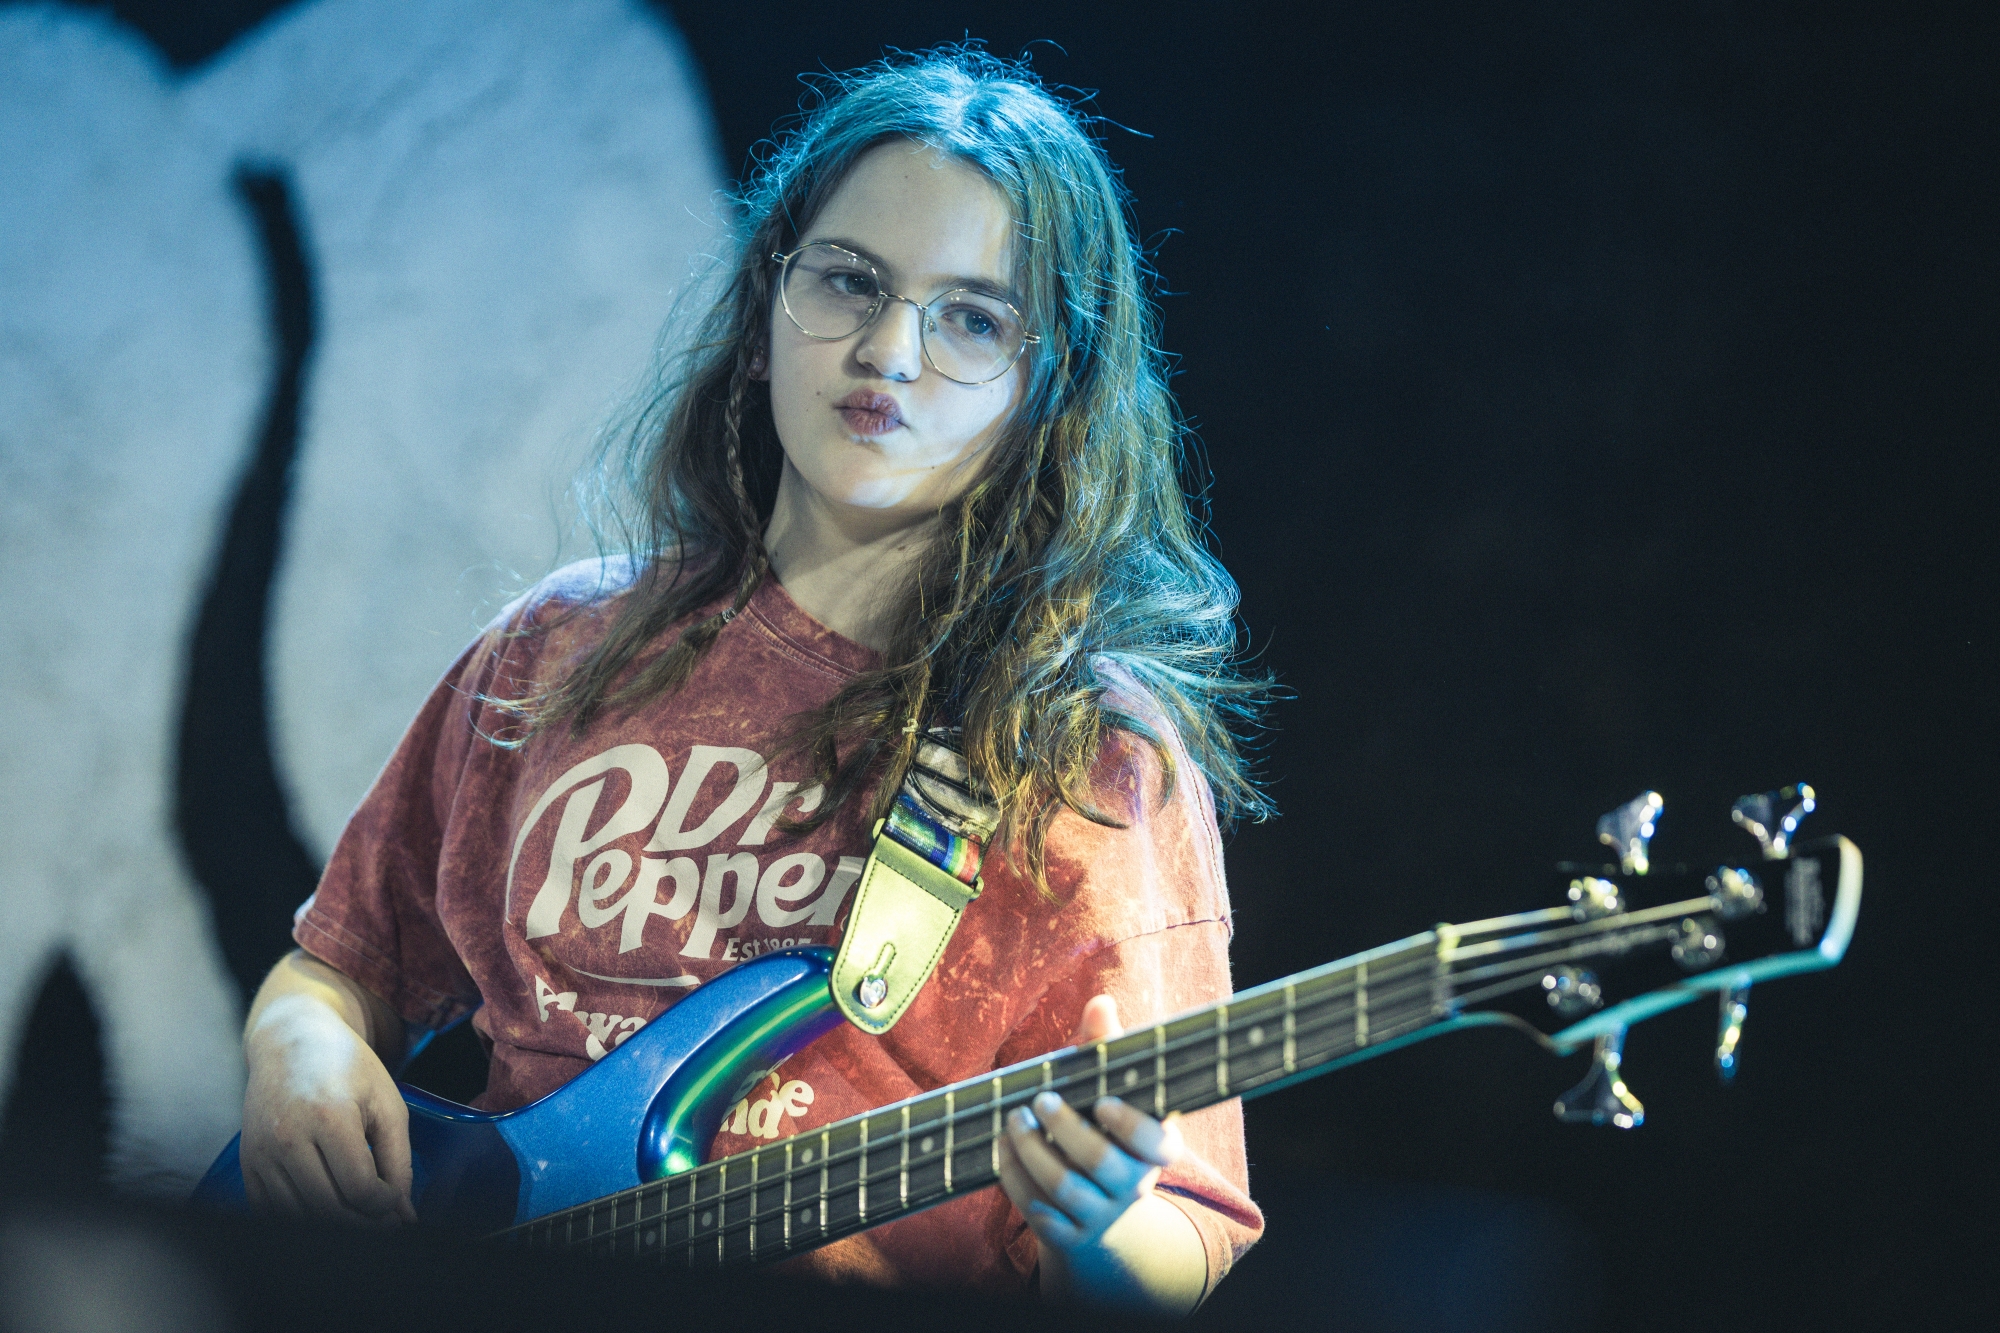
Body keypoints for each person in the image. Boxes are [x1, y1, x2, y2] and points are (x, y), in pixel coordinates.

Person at [236, 49, 1271, 1314]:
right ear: (768, 295)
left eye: (971, 318)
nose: (887, 350)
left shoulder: (1086, 756)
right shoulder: (555, 648)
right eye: (848, 282)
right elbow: (337, 969)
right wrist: (292, 1046)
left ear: (1046, 383)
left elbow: (1180, 1241)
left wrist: (1107, 1229)